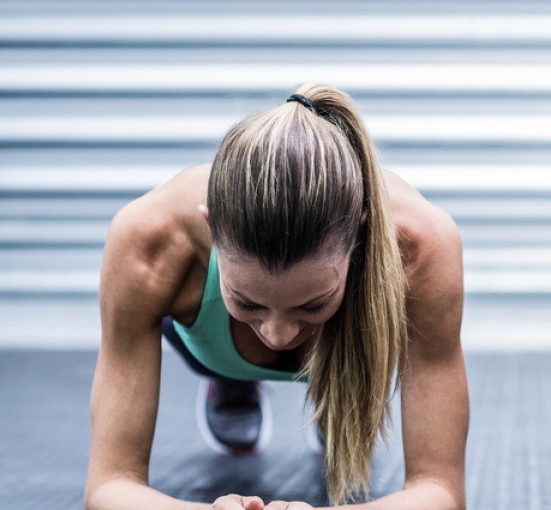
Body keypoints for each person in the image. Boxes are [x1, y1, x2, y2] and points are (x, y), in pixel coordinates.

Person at [85, 84, 468, 510]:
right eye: (248, 302)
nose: (278, 335)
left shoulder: (419, 245)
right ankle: (231, 376)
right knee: (242, 326)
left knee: (342, 418)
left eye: (311, 304)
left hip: (352, 337)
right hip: (209, 340)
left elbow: (441, 492)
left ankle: (335, 392)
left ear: (359, 237)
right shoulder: (148, 240)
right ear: (211, 230)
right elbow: (108, 487)